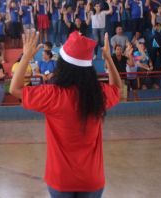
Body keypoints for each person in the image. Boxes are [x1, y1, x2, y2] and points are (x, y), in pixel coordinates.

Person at [10, 31, 121, 197]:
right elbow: (117, 89)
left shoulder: (53, 95)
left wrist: (26, 57)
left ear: (63, 66)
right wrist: (109, 59)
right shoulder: (98, 94)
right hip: (92, 179)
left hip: (61, 179)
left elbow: (14, 89)